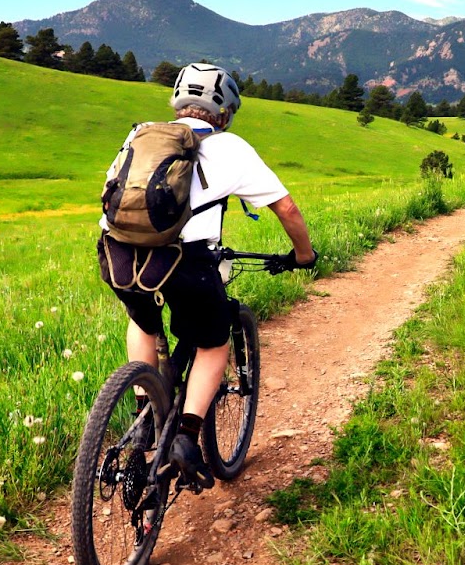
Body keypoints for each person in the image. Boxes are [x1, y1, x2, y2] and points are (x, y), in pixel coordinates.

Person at [98, 62, 315, 484]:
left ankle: (144, 411)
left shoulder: (141, 133)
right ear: (225, 111)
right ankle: (186, 436)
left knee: (141, 318)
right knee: (213, 342)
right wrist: (303, 256)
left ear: (178, 101)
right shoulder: (231, 147)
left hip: (118, 251)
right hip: (185, 260)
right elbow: (286, 209)